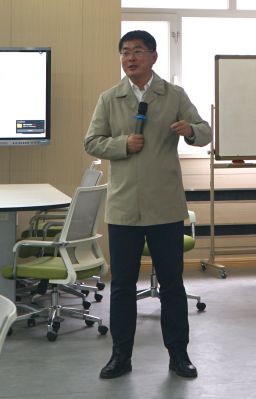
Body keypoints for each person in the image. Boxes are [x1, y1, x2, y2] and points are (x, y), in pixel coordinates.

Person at [84, 30, 212, 380]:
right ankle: (120, 356)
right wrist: (122, 144)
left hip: (165, 206)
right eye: (125, 52)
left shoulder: (174, 95)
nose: (130, 58)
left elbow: (205, 131)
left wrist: (190, 131)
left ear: (154, 56)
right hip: (124, 207)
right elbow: (92, 142)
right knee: (122, 286)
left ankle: (179, 355)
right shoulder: (110, 98)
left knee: (172, 285)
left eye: (138, 51)